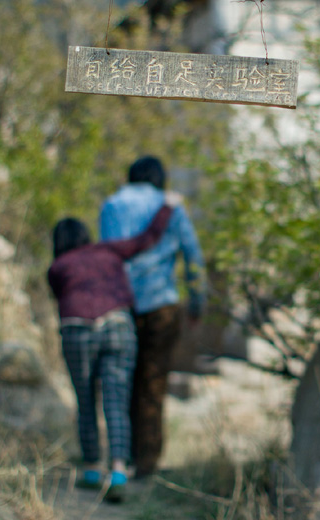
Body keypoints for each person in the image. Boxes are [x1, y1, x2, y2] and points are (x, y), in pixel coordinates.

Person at [47, 195, 178, 502]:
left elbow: (61, 298)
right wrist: (167, 207)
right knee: (116, 401)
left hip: (77, 329)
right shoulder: (108, 250)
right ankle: (118, 471)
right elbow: (147, 240)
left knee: (85, 400)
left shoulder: (57, 267)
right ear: (85, 236)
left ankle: (93, 469)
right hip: (118, 324)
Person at [99, 156, 207, 478]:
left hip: (123, 306)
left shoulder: (112, 204)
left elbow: (109, 256)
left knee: (123, 383)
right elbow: (193, 255)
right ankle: (147, 463)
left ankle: (122, 457)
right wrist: (197, 302)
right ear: (160, 178)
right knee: (153, 384)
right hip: (162, 306)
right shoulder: (171, 206)